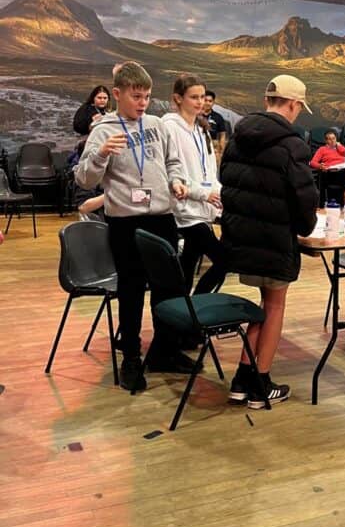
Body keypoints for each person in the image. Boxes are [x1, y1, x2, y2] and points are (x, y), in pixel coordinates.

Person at [75, 61, 193, 392]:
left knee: (168, 289)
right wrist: (99, 154)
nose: (142, 103)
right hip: (126, 223)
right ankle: (130, 358)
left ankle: (164, 352)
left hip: (162, 218)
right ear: (117, 93)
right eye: (136, 96)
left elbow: (171, 161)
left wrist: (177, 180)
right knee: (131, 292)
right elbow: (84, 179)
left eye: (147, 97)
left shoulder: (156, 124)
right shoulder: (103, 130)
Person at [220, 74, 318, 409]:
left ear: (267, 101)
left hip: (241, 241)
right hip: (276, 242)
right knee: (274, 307)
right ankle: (261, 386)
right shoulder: (293, 146)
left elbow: (226, 184)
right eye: (299, 108)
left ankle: (241, 380)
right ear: (293, 104)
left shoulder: (237, 139)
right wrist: (307, 227)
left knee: (264, 307)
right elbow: (305, 199)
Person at [163, 75, 227, 293]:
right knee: (224, 260)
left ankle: (184, 314)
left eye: (202, 97)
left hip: (203, 209)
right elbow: (172, 170)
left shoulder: (202, 130)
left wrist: (218, 194)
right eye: (194, 97)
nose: (200, 102)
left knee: (188, 264)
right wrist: (201, 193)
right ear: (178, 98)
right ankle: (197, 307)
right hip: (185, 211)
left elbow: (210, 172)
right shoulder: (169, 126)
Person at [202, 89, 231, 155]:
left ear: (213, 103)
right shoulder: (195, 115)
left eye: (210, 101)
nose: (207, 103)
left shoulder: (218, 117)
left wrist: (221, 151)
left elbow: (222, 135)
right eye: (205, 100)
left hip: (212, 146)